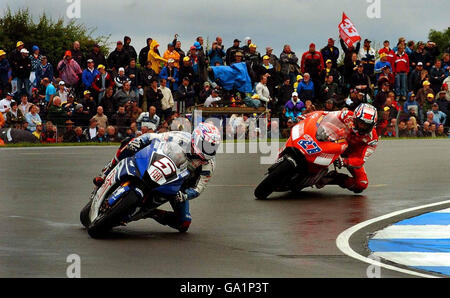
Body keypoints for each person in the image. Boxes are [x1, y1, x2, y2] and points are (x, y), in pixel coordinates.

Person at [316, 103, 378, 194]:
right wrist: (308, 117)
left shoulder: (373, 139)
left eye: (366, 125)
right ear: (355, 118)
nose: (362, 127)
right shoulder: (346, 115)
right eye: (361, 123)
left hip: (350, 155)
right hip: (334, 141)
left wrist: (345, 161)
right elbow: (326, 115)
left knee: (361, 184)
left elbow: (361, 160)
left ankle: (335, 178)